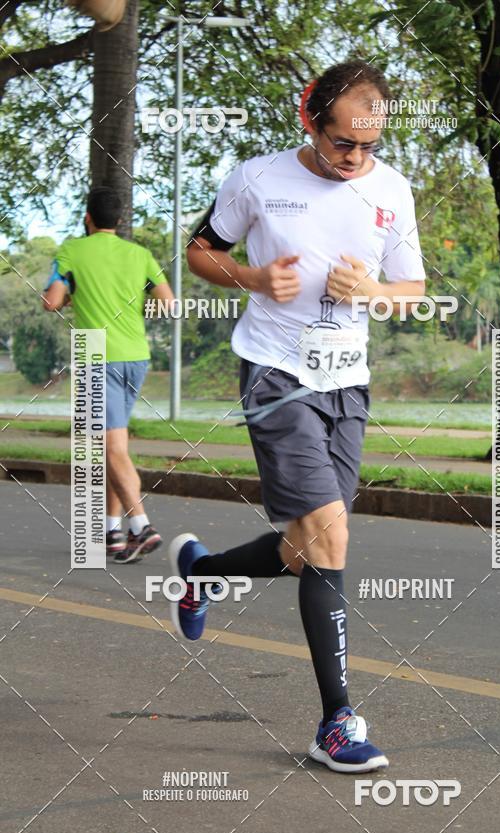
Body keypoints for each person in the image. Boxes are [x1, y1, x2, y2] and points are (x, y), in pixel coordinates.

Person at [169, 60, 426, 773]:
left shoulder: (392, 190)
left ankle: (204, 572)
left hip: (348, 382)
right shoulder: (257, 179)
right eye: (343, 142)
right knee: (330, 535)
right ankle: (336, 723)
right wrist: (252, 277)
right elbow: (200, 252)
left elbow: (412, 290)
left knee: (307, 548)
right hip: (276, 374)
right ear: (310, 121)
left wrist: (373, 291)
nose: (356, 157)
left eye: (369, 145)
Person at [42, 186, 175, 563]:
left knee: (110, 449)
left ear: (87, 218)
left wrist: (73, 296)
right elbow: (168, 303)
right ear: (118, 220)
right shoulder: (140, 254)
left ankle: (141, 526)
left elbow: (51, 301)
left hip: (96, 354)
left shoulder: (72, 251)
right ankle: (111, 532)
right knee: (115, 447)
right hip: (136, 355)